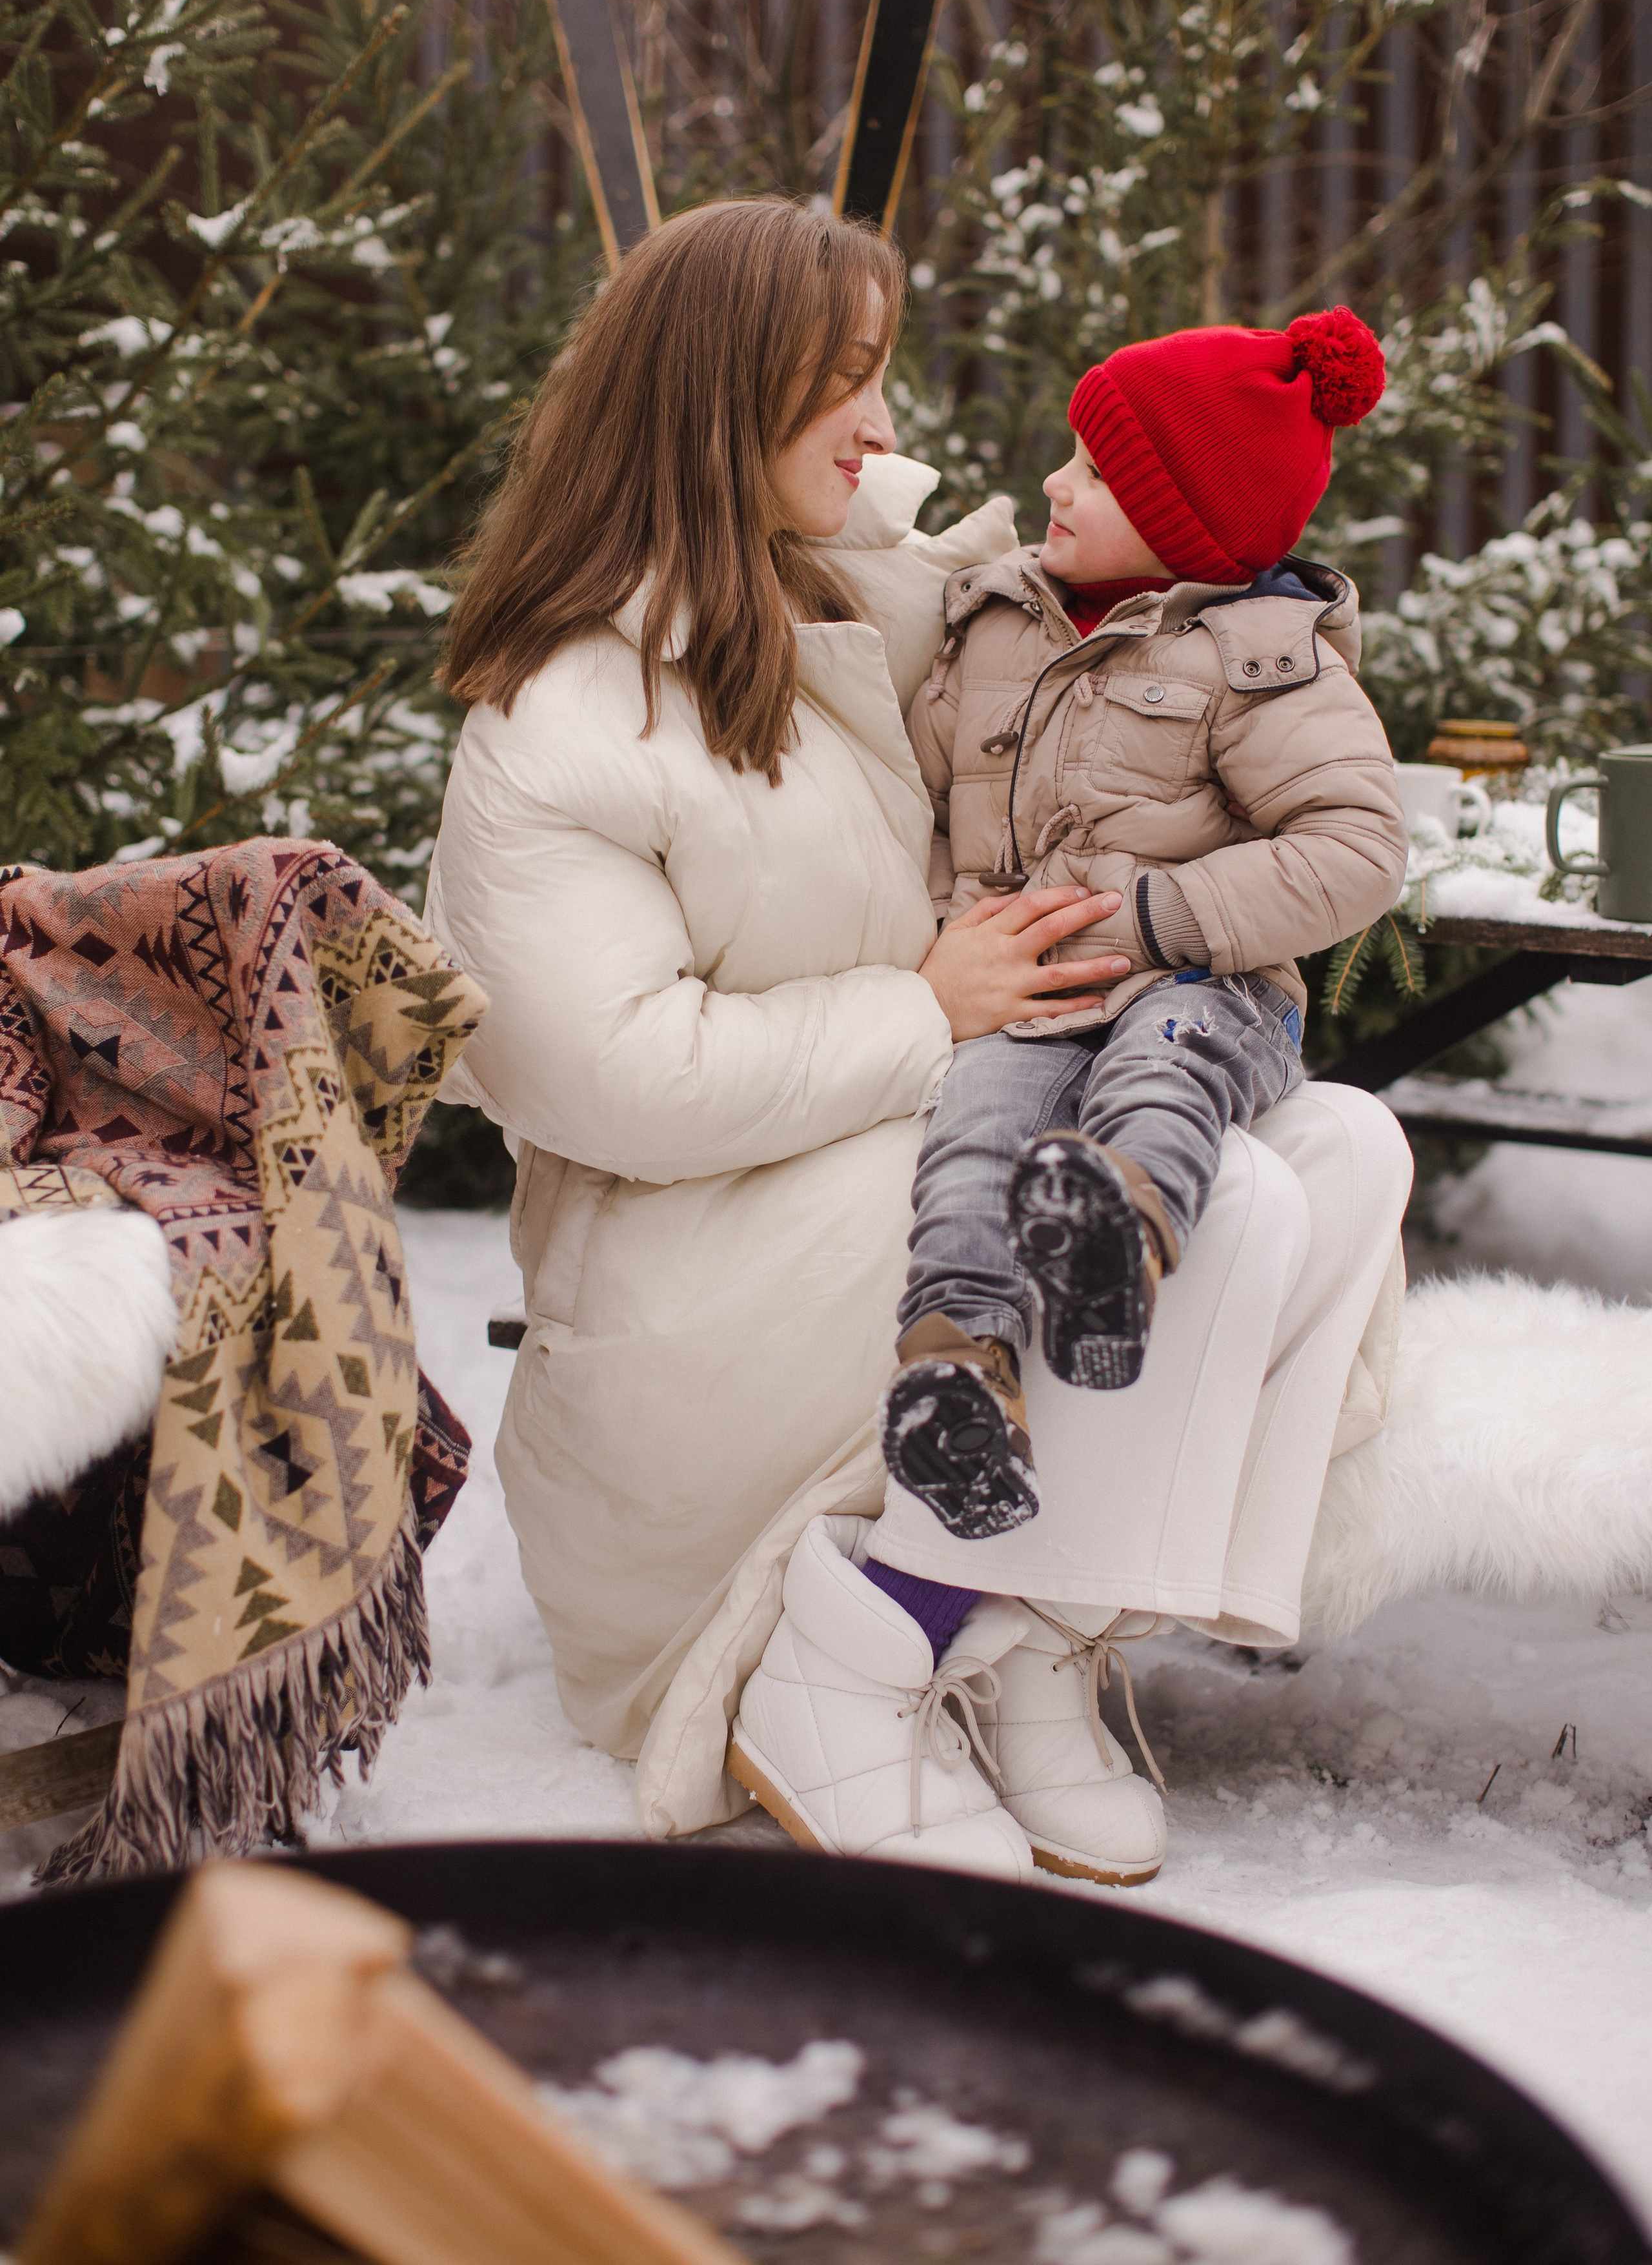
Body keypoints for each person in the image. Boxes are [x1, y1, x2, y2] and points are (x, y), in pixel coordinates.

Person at [426, 199, 1413, 1893]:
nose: (889, 429)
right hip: (697, 1303)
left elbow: (1140, 571)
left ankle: (1024, 1622)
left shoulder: (873, 590)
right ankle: (872, 1645)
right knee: (1218, 1204)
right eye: (850, 388)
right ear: (722, 408)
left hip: (887, 1191)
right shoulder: (561, 715)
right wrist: (926, 1006)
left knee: (1342, 1150)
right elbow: (599, 1079)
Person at [873, 312, 1410, 1553]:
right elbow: (921, 801)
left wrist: (1167, 914)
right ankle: (958, 1378)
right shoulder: (996, 627)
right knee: (976, 1135)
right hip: (1030, 990)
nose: (1057, 485)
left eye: (1100, 472)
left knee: (1166, 1068)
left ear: (1191, 518)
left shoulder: (1264, 659)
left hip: (1201, 984)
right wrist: (945, 937)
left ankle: (1117, 1239)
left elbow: (1355, 848)